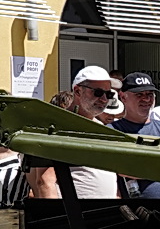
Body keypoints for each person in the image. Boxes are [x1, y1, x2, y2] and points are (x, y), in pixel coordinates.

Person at [26, 67, 123, 200]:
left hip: (106, 215)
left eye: (109, 94)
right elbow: (45, 181)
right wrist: (57, 218)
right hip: (74, 216)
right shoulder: (59, 128)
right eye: (98, 92)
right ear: (77, 91)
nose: (104, 99)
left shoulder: (101, 128)